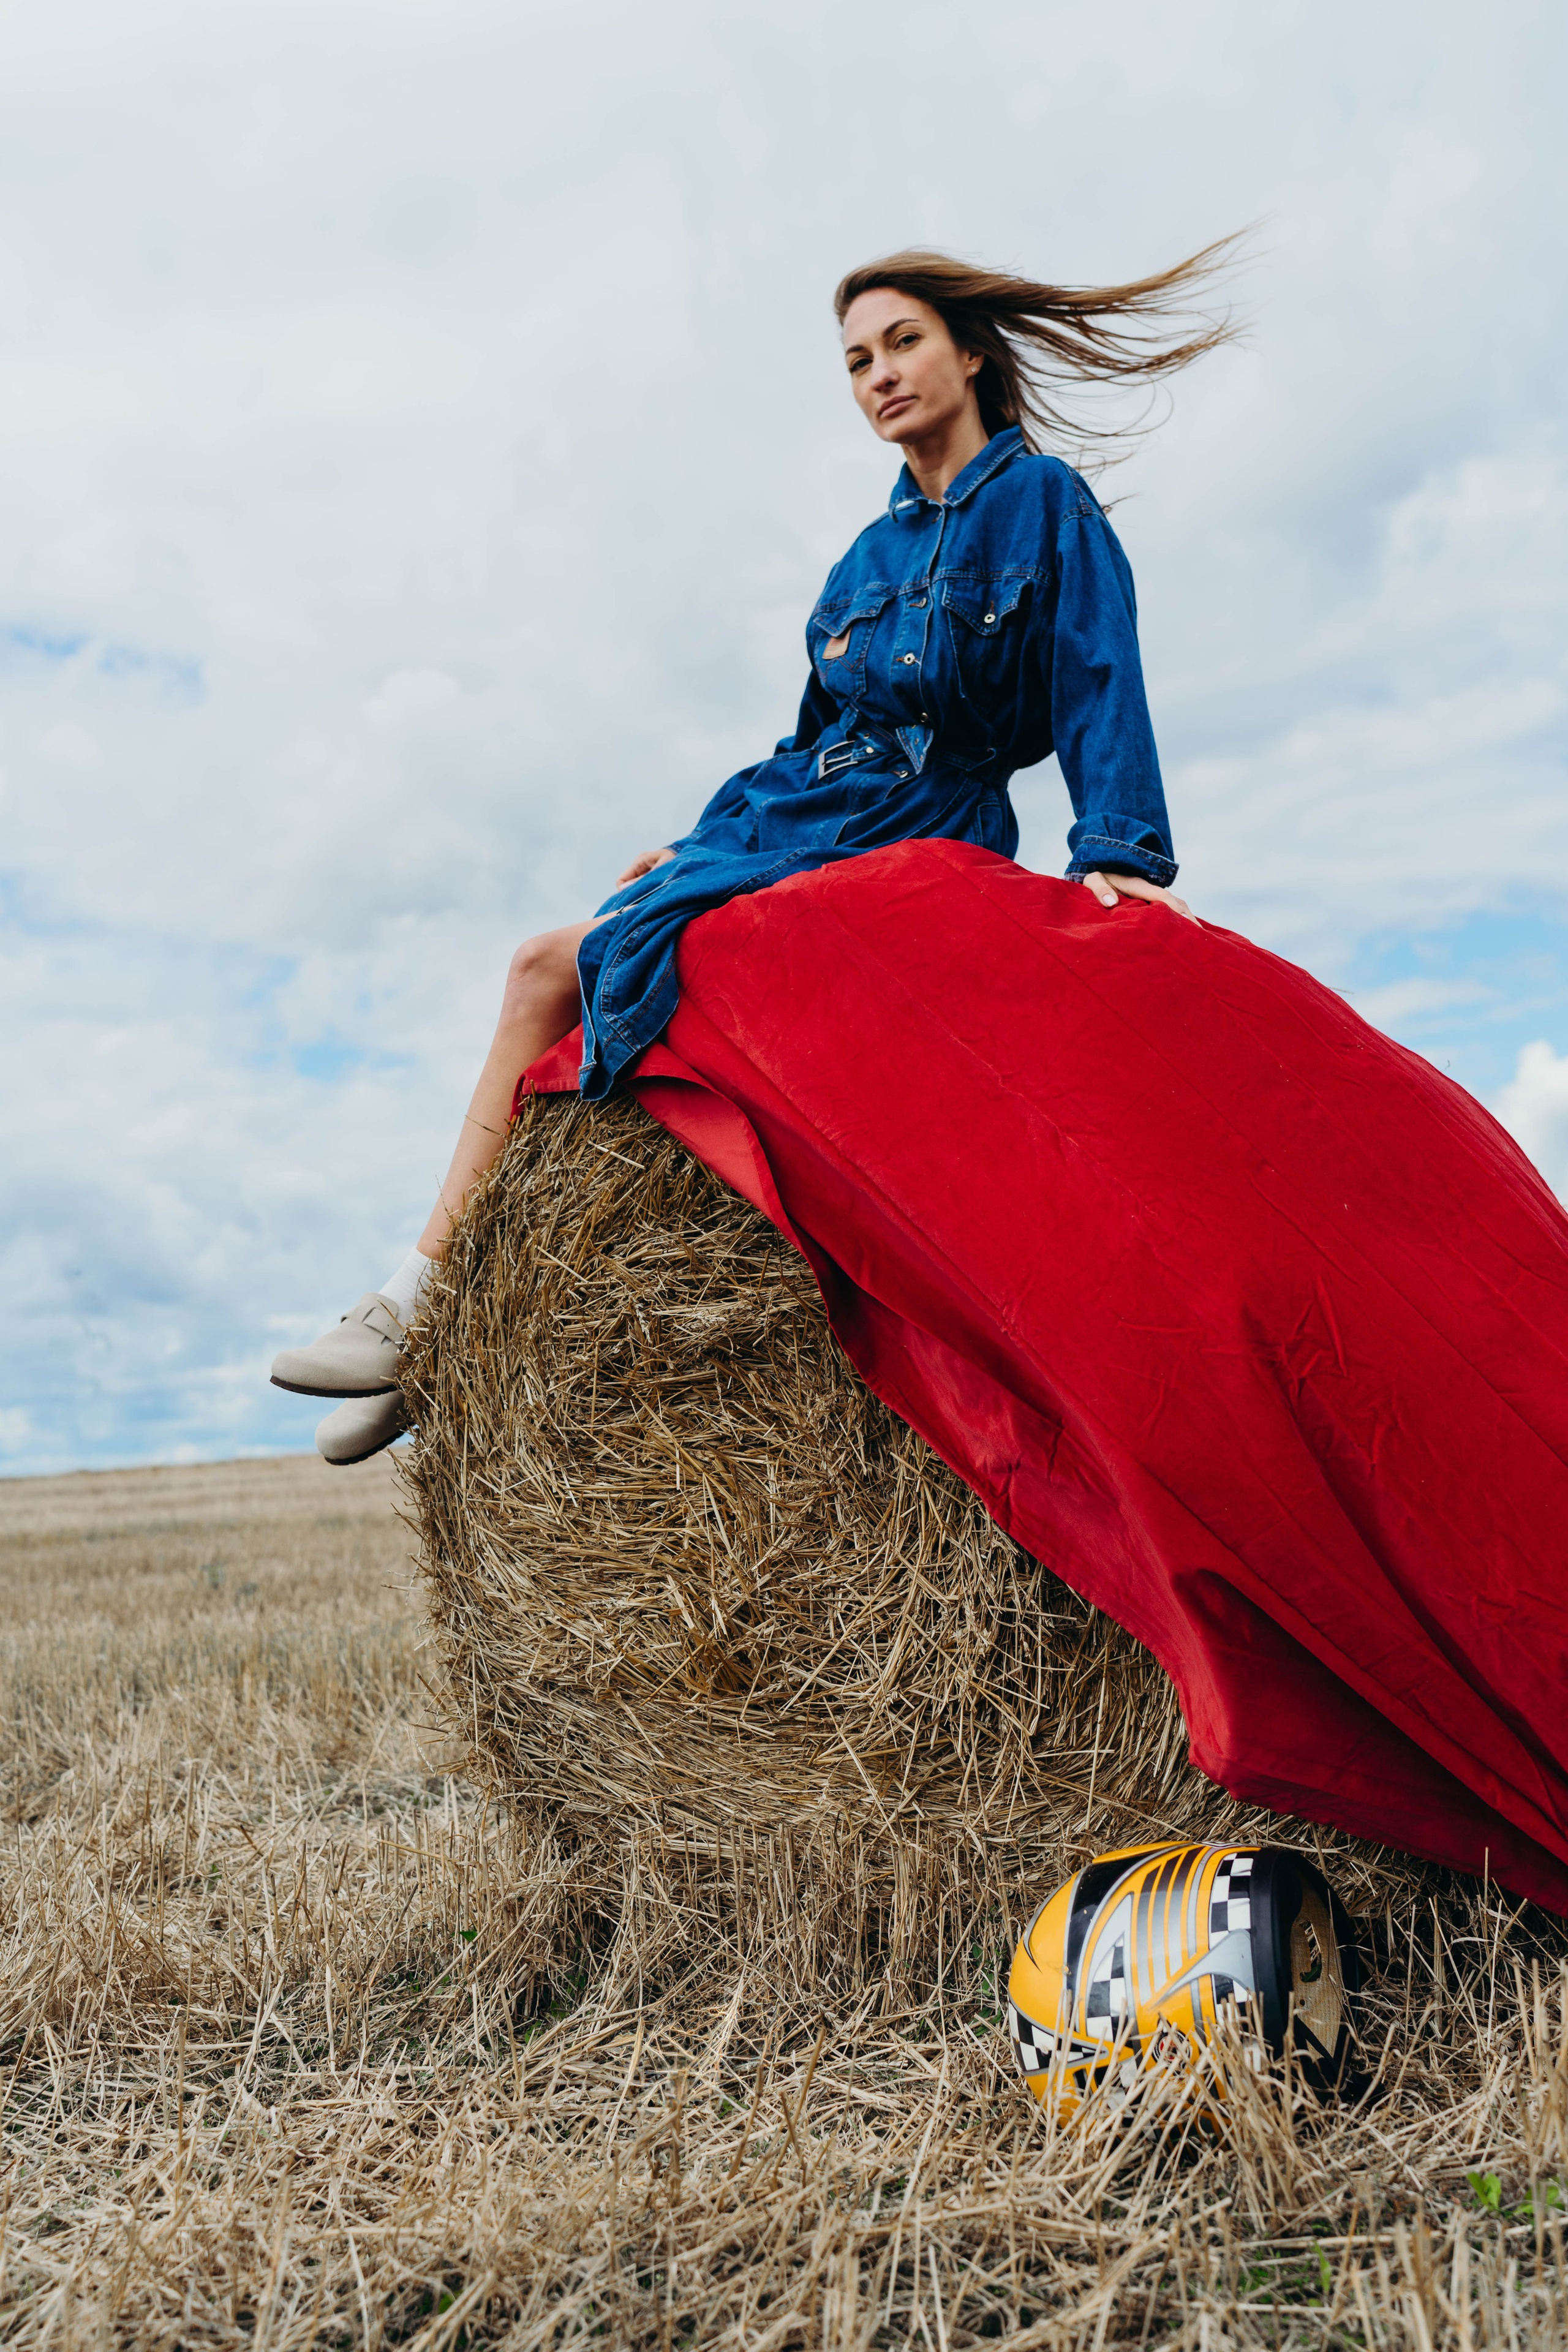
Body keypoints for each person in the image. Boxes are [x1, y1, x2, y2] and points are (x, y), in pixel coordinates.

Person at [271, 243, 1237, 1463]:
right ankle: (441, 1309)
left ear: (970, 353)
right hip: (796, 819)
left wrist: (1121, 851)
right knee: (547, 972)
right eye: (853, 362)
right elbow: (811, 741)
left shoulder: (1041, 507)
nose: (876, 375)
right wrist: (698, 843)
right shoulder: (860, 562)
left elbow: (1101, 672)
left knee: (572, 972)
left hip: (915, 833)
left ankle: (425, 1315)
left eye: (899, 344)